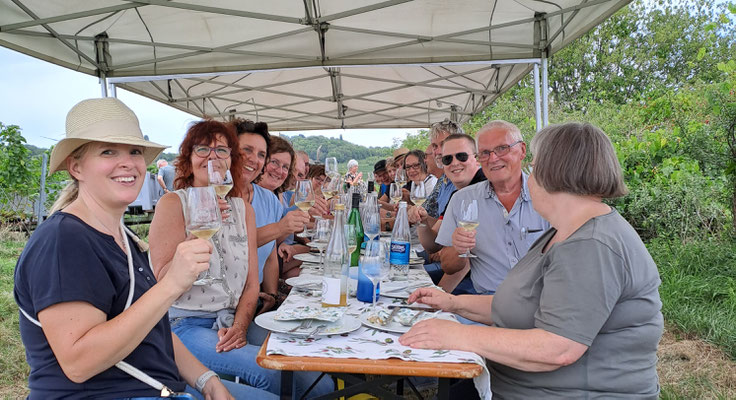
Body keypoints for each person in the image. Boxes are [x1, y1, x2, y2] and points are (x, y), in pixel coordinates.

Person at [400, 122, 664, 399]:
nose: (531, 177)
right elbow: (525, 303)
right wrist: (452, 303)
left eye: (536, 168)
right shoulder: (565, 231)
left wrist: (458, 335)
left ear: (556, 175)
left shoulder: (591, 244)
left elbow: (558, 348)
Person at [14, 98, 250, 399]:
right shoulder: (63, 240)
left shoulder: (121, 237)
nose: (127, 162)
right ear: (76, 167)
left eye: (135, 152)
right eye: (108, 151)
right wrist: (171, 284)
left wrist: (208, 381)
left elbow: (153, 327)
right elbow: (79, 363)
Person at [436, 122, 549, 297]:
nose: (493, 158)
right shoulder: (462, 200)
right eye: (485, 153)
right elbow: (448, 266)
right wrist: (458, 250)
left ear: (522, 150)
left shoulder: (549, 196)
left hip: (541, 301)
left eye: (502, 148)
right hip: (488, 302)